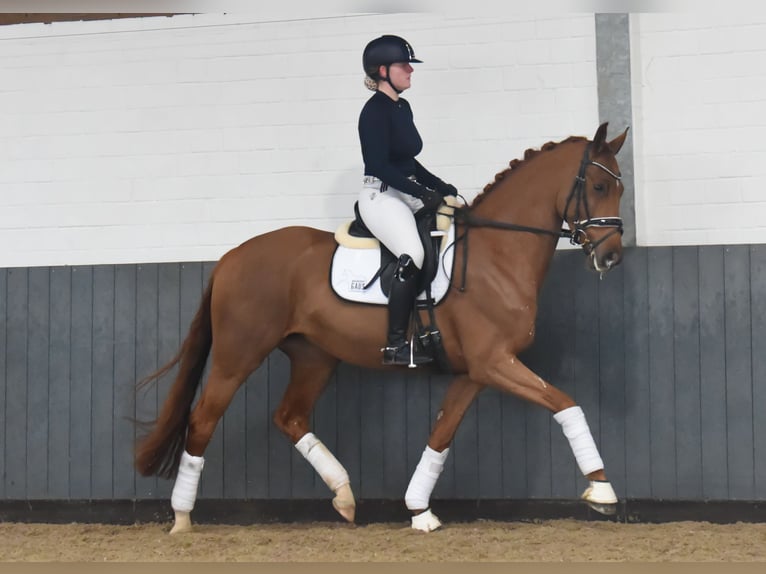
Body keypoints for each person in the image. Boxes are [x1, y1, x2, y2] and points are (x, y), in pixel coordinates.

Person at [357, 34, 458, 366]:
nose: (410, 72)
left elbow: (408, 162)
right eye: (404, 66)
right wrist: (421, 193)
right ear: (383, 71)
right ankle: (396, 345)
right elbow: (380, 165)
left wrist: (439, 186)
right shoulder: (373, 112)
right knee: (412, 253)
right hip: (381, 195)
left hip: (405, 189)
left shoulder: (403, 107)